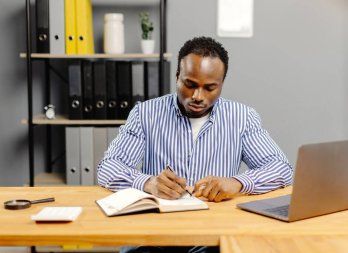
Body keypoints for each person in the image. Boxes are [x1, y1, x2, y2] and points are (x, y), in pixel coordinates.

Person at [97, 36, 293, 252]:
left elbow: (281, 169)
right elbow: (108, 167)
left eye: (210, 88)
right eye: (190, 85)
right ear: (177, 77)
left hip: (213, 235)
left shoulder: (242, 117)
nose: (198, 96)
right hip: (155, 235)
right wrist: (148, 182)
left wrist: (237, 182)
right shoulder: (145, 114)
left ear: (221, 84)